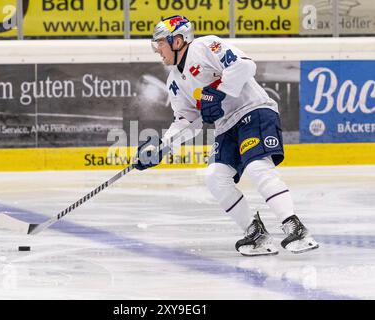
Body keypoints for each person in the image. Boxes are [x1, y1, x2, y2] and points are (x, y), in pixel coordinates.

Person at [133, 15, 319, 256]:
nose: (158, 49)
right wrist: (162, 147)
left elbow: (245, 65)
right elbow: (187, 120)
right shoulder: (174, 82)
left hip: (254, 110)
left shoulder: (205, 46)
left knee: (256, 166)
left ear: (177, 41)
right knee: (214, 176)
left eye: (161, 43)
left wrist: (218, 92)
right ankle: (257, 234)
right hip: (226, 127)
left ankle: (295, 226)